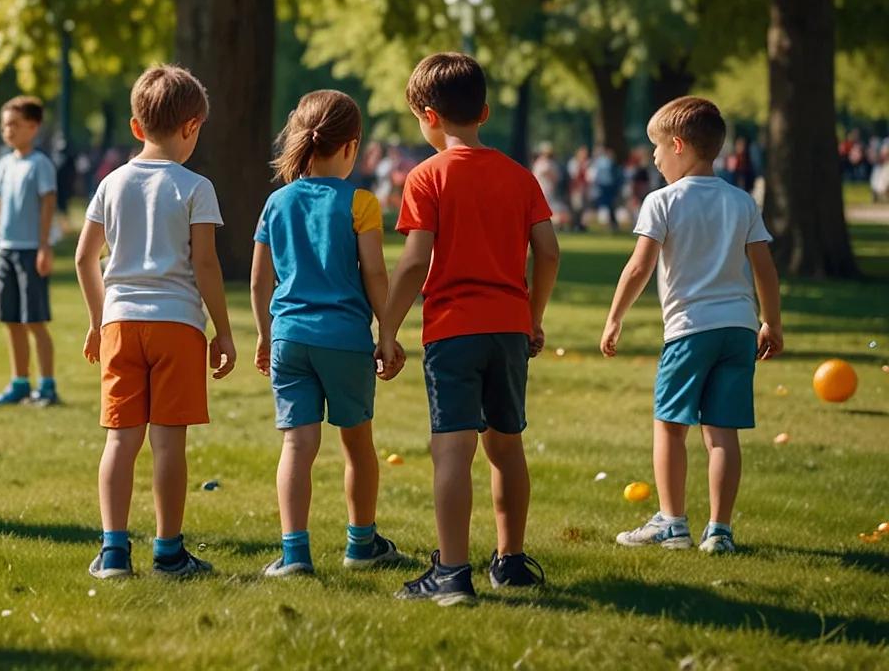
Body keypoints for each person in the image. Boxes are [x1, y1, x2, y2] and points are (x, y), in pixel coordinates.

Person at [382, 53, 560, 605]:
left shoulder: (426, 176)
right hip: (508, 329)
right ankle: (510, 562)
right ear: (483, 111)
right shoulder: (520, 176)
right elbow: (548, 251)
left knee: (452, 451)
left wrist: (386, 329)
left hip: (453, 330)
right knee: (506, 447)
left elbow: (415, 260)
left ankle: (452, 574)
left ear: (428, 116)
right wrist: (532, 317)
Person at [601, 97, 783, 555]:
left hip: (689, 330)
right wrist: (771, 322)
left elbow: (638, 267)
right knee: (722, 432)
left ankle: (672, 522)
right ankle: (719, 531)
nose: (654, 158)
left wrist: (614, 318)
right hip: (739, 330)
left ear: (679, 146)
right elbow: (764, 269)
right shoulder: (742, 202)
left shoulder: (662, 201)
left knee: (669, 426)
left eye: (658, 148)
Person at [75, 66, 235, 579]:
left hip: (120, 324)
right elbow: (205, 264)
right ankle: (168, 553)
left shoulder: (111, 183)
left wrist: (98, 319)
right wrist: (222, 331)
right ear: (192, 127)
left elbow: (85, 258)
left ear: (136, 126)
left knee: (120, 440)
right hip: (178, 326)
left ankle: (114, 552)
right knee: (168, 444)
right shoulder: (197, 187)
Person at [251, 91, 409, 577]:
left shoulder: (276, 202)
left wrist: (265, 336)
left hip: (289, 339)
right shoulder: (360, 203)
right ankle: (361, 545)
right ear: (351, 146)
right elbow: (375, 274)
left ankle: (294, 554)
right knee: (357, 445)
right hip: (345, 341)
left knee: (296, 446)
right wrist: (387, 332)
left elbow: (259, 281)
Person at [0, 96, 60, 407]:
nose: (8, 131)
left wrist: (44, 247)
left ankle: (48, 386)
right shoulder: (3, 165)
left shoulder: (40, 165)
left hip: (31, 251)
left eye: (15, 125)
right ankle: (19, 383)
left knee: (34, 321)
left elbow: (48, 205)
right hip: (6, 251)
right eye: (5, 126)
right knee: (11, 320)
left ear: (33, 126)